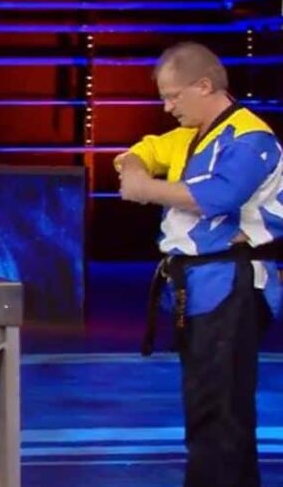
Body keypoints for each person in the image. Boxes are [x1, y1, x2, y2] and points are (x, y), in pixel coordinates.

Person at [115, 41, 281, 487]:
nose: (167, 107)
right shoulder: (192, 135)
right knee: (208, 404)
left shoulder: (250, 138)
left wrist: (145, 189)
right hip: (201, 284)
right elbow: (144, 151)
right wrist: (135, 168)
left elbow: (218, 197)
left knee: (219, 409)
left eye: (173, 96)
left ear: (204, 85)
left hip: (232, 283)